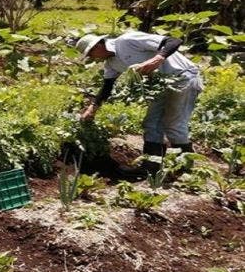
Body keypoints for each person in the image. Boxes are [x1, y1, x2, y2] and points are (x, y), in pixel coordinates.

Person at [76, 31, 203, 172]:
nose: (92, 58)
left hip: (182, 76)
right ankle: (151, 167)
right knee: (151, 123)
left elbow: (174, 40)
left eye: (91, 54)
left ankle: (185, 168)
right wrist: (92, 108)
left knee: (174, 123)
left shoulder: (127, 40)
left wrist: (158, 58)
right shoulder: (111, 64)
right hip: (159, 85)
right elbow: (107, 86)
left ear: (97, 46)